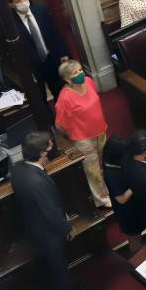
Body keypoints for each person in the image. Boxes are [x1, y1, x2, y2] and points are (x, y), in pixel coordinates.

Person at [9, 131, 94, 290]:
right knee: (58, 267)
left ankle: (68, 289)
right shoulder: (37, 182)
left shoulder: (18, 168)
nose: (52, 146)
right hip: (47, 232)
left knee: (58, 266)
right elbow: (50, 212)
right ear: (42, 153)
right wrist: (67, 228)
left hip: (35, 225)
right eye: (49, 145)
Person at [53, 60, 111, 208]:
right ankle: (101, 199)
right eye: (75, 73)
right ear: (67, 79)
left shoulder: (89, 82)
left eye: (80, 70)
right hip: (83, 140)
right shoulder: (65, 98)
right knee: (93, 172)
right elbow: (60, 125)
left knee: (105, 162)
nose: (80, 74)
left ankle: (109, 188)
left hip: (101, 130)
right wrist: (72, 136)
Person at [9, 0, 69, 98]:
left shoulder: (41, 10)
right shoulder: (11, 24)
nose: (23, 2)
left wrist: (63, 53)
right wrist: (26, 72)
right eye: (18, 1)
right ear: (12, 5)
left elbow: (54, 33)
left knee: (60, 93)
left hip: (50, 60)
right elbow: (16, 52)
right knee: (40, 99)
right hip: (33, 68)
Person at [100, 135, 143, 251]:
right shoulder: (112, 175)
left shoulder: (111, 163)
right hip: (128, 213)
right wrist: (137, 183)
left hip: (134, 208)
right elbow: (122, 199)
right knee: (135, 239)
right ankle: (137, 261)